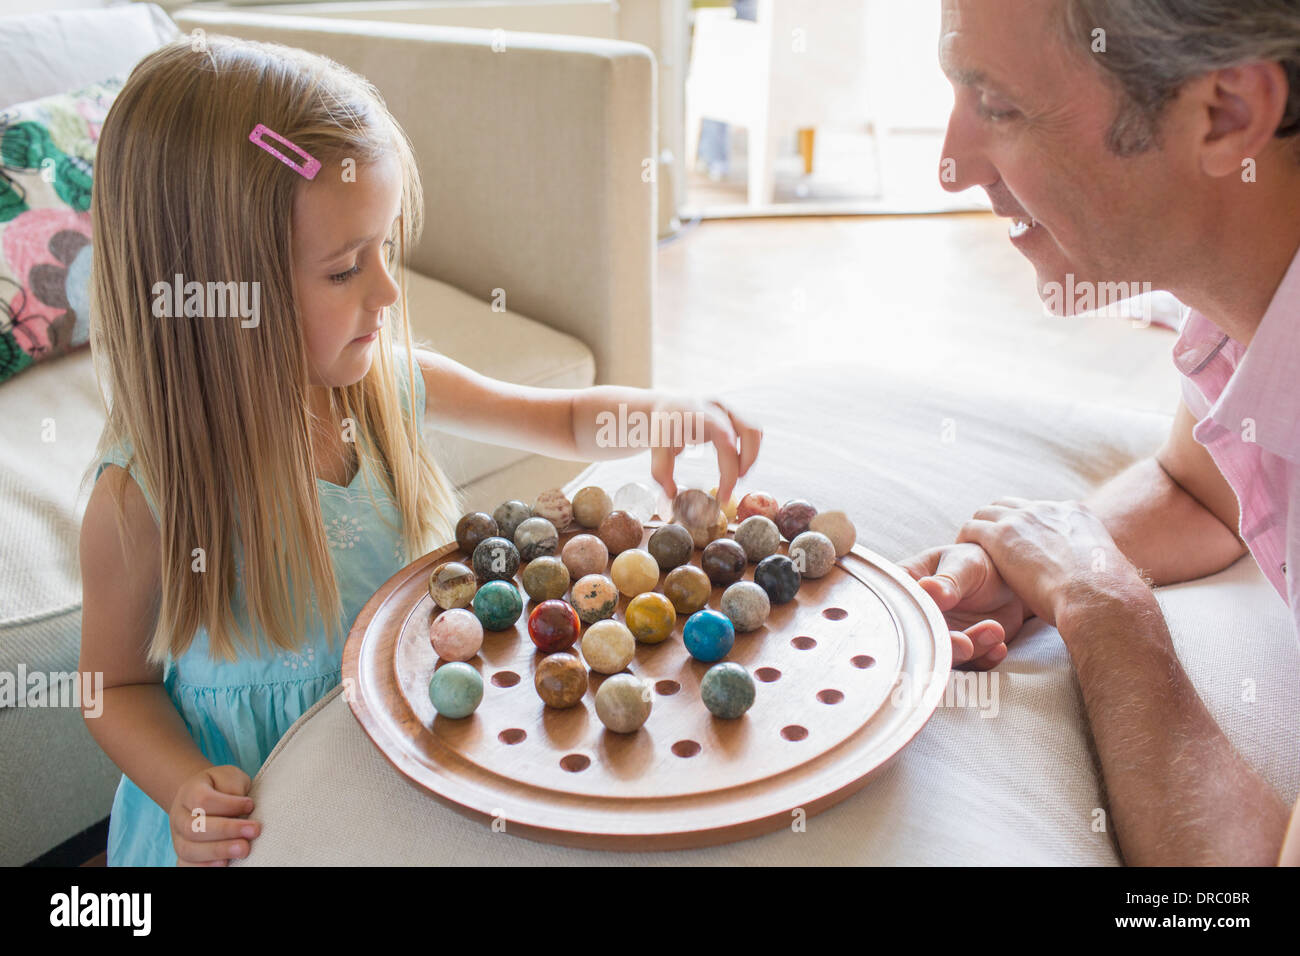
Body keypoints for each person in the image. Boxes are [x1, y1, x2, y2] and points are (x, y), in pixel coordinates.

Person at [77, 35, 761, 866]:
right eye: (343, 270)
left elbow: (564, 419)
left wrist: (661, 412)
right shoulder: (141, 500)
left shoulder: (381, 389)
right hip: (264, 827)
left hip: (408, 781)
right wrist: (186, 788)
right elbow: (112, 688)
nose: (389, 291)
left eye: (387, 249)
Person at [902, 0, 1300, 865]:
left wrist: (1098, 603)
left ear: (1226, 115)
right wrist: (1041, 559)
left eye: (998, 107)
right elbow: (1202, 490)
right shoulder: (1251, 300)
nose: (952, 165)